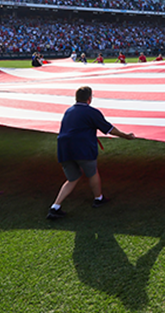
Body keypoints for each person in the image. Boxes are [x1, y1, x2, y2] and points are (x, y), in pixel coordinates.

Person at [48, 86, 136, 219]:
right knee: (92, 173)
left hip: (64, 149)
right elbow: (109, 129)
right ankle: (98, 198)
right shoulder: (92, 112)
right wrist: (126, 136)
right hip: (82, 148)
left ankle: (55, 206)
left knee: (72, 178)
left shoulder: (69, 111)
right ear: (89, 98)